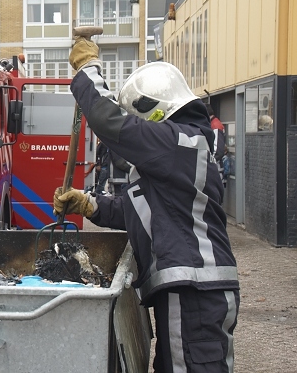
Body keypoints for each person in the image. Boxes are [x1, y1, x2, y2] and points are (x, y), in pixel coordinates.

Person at [53, 36, 239, 372]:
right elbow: (141, 210)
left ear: (154, 110)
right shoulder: (180, 149)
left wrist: (88, 70)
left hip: (195, 288)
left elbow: (108, 121)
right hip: (192, 288)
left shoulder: (179, 142)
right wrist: (89, 205)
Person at [206, 103, 227, 188]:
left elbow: (217, 150)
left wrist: (207, 163)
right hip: (215, 169)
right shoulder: (214, 124)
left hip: (216, 170)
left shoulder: (215, 125)